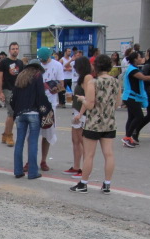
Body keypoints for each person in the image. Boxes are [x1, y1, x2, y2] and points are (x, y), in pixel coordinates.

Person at [70, 54, 121, 194]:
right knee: (109, 154)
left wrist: (82, 99)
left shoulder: (94, 82)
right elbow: (118, 103)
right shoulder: (116, 82)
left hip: (94, 123)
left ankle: (84, 183)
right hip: (109, 122)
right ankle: (107, 183)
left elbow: (90, 104)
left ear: (96, 66)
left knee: (89, 155)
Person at [10, 59, 50, 179]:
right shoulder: (37, 76)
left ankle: (18, 170)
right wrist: (46, 109)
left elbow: (13, 98)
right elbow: (41, 95)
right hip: (33, 112)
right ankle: (32, 172)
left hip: (20, 114)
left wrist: (16, 110)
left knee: (19, 142)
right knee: (33, 142)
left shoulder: (20, 77)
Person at [121, 51, 150, 147]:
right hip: (130, 97)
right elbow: (144, 78)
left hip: (133, 96)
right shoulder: (132, 70)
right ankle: (127, 137)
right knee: (139, 116)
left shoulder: (134, 68)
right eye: (140, 57)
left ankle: (128, 138)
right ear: (135, 59)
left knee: (131, 117)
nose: (142, 58)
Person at [64, 56, 92, 178]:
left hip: (82, 112)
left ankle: (84, 169)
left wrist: (81, 113)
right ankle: (76, 166)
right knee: (75, 140)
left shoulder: (87, 78)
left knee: (82, 141)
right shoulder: (82, 77)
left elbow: (88, 97)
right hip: (76, 110)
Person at [36, 47, 64, 171]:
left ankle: (43, 160)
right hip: (36, 102)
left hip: (50, 103)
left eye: (44, 59)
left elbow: (61, 85)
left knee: (47, 132)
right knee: (32, 132)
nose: (43, 61)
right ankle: (30, 160)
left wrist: (55, 88)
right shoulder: (36, 65)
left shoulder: (57, 65)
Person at [0, 42, 23, 147]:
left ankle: (5, 134)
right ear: (9, 50)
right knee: (12, 113)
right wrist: (0, 92)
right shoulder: (4, 62)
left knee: (12, 114)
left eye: (17, 48)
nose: (15, 50)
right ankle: (9, 135)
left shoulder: (20, 63)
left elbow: (22, 77)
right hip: (7, 89)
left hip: (18, 90)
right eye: (13, 49)